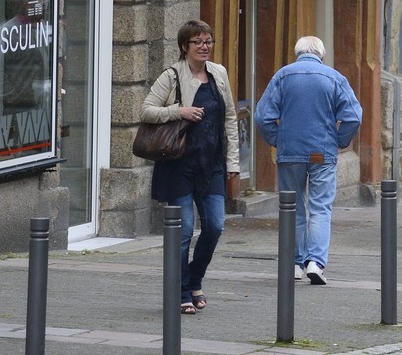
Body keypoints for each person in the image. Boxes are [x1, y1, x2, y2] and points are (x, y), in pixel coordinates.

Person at [142, 19, 240, 314]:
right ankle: (182, 290)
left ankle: (195, 279)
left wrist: (233, 161)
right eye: (198, 42)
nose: (204, 47)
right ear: (185, 46)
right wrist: (178, 110)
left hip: (211, 165)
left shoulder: (219, 73)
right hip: (180, 166)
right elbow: (146, 109)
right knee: (183, 230)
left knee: (215, 225)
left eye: (208, 41)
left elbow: (231, 119)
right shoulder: (171, 76)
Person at [254, 35, 362, 284]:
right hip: (322, 151)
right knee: (321, 208)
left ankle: (294, 263)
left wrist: (277, 139)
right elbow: (354, 116)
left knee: (292, 208)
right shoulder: (334, 77)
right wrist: (339, 140)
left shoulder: (283, 76)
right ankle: (315, 262)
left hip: (290, 151)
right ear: (321, 55)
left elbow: (262, 116)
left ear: (298, 53)